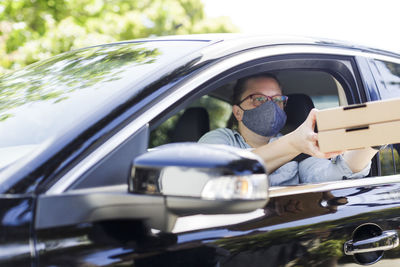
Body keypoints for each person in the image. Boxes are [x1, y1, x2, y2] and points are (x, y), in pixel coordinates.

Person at [198, 73, 378, 186]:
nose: (271, 106)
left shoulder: (301, 148)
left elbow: (329, 174)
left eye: (277, 100)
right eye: (259, 99)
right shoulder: (218, 139)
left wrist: (371, 143)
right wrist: (293, 143)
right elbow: (217, 172)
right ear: (237, 112)